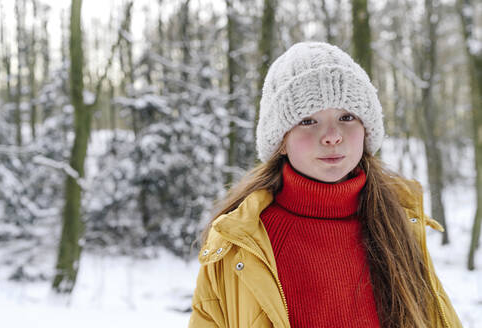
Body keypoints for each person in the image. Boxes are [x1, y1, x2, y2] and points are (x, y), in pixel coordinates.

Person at [188, 42, 462, 328]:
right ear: (281, 141)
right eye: (308, 120)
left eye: (347, 117)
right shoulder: (238, 244)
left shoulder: (399, 220)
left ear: (367, 130)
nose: (332, 136)